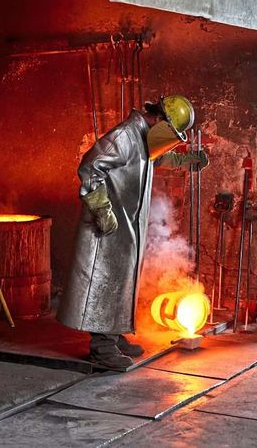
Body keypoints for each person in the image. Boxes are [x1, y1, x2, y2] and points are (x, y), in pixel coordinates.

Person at [57, 95, 208, 370]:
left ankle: (112, 336)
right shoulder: (125, 135)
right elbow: (91, 166)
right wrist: (102, 210)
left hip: (126, 222)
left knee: (122, 280)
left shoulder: (143, 138)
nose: (169, 138)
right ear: (160, 120)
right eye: (171, 133)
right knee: (108, 281)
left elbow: (155, 159)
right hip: (109, 222)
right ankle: (102, 348)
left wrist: (187, 162)